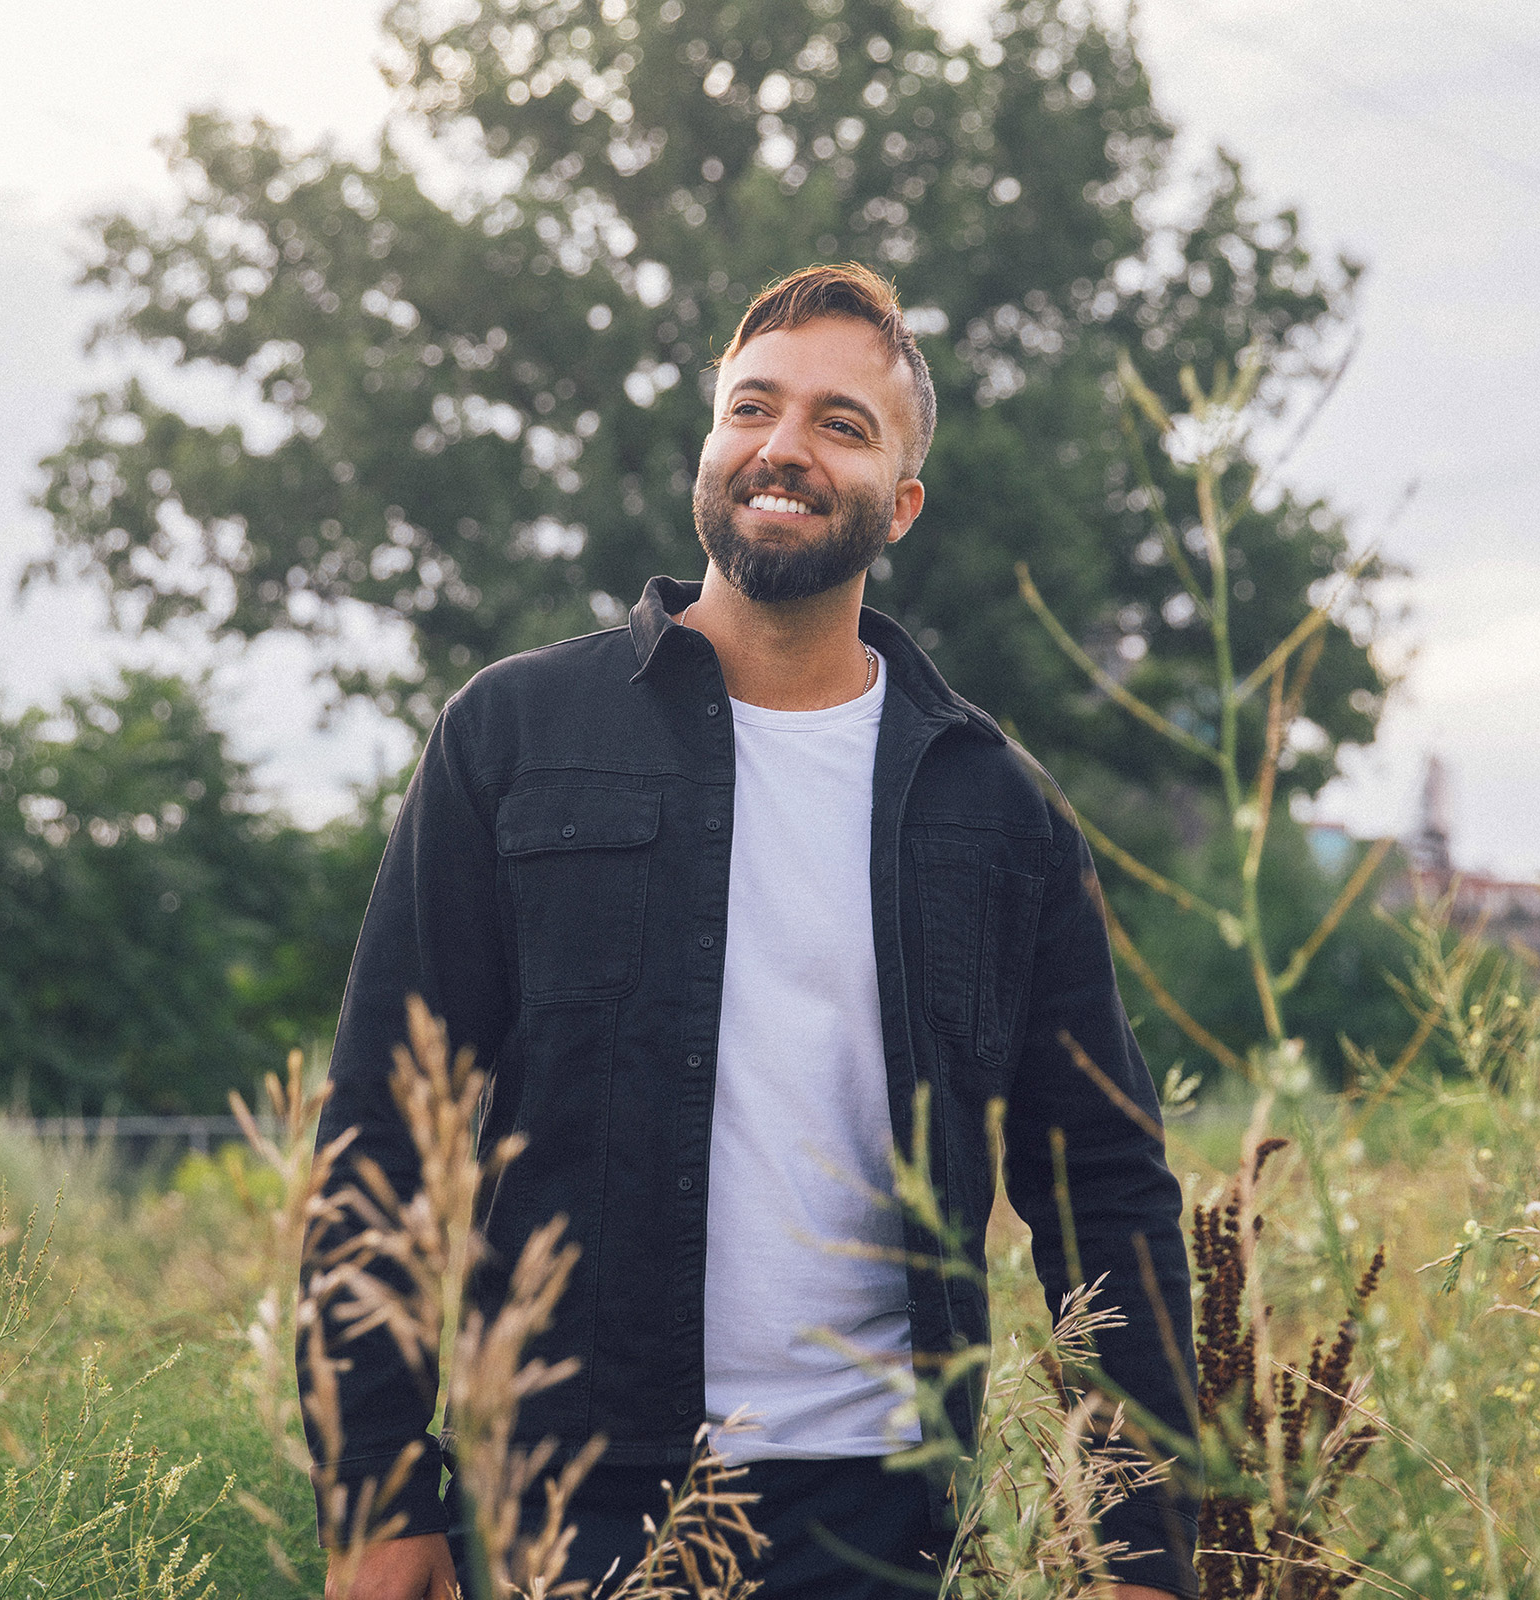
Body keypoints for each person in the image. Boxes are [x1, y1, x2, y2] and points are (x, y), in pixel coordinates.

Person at [309, 263, 1197, 1600]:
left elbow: (1106, 1193)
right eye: (752, 409)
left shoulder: (998, 810)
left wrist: (1139, 1544)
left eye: (842, 423)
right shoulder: (514, 740)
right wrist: (377, 1495)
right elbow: (382, 1128)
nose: (783, 446)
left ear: (899, 501)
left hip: (884, 1524)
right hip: (566, 1507)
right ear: (713, 450)